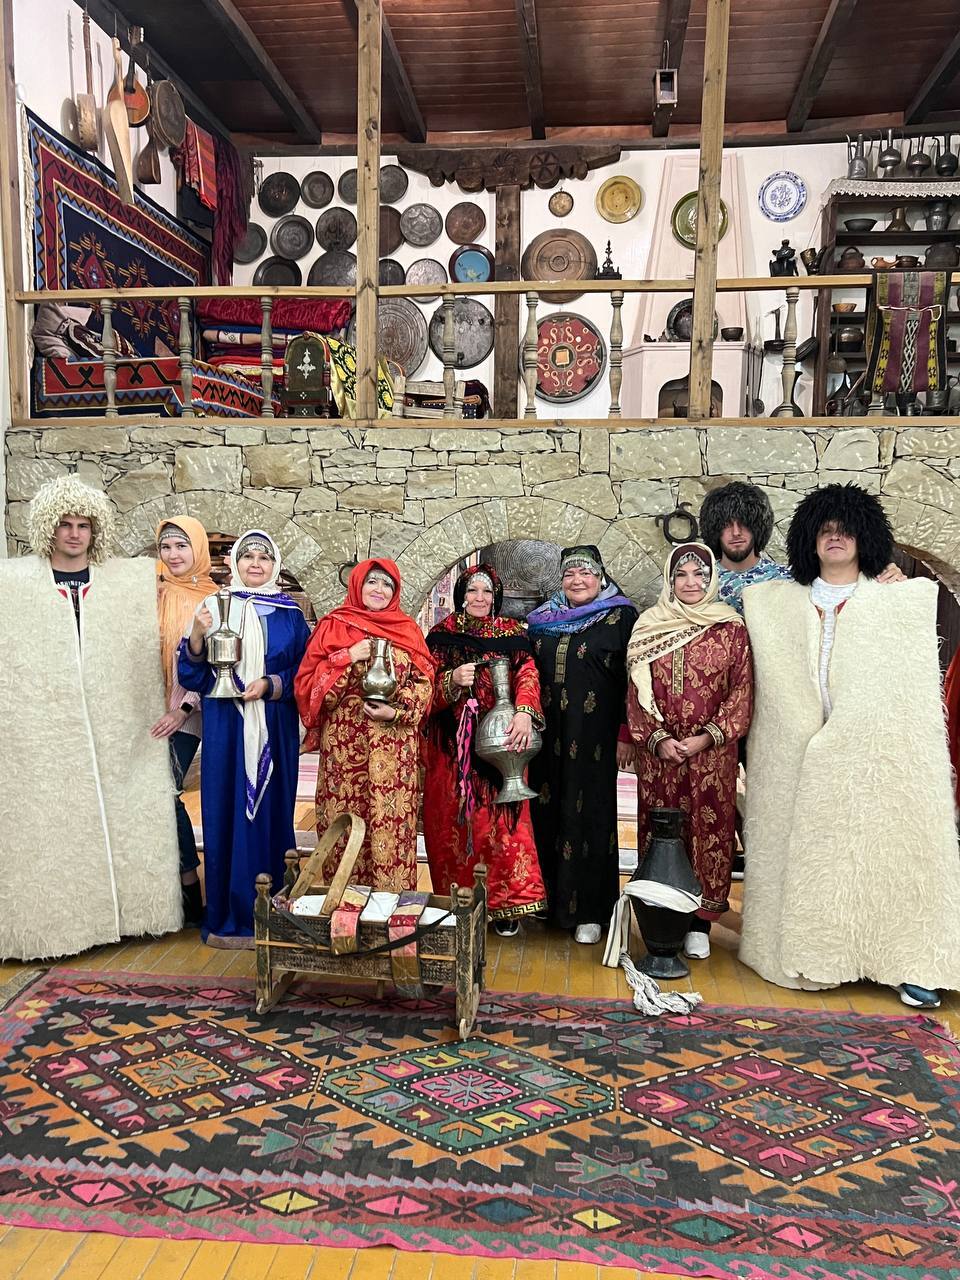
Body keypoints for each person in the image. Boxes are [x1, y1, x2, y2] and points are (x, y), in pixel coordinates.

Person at [741, 483, 960, 1009]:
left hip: (872, 753)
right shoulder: (775, 604)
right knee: (805, 856)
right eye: (824, 530)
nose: (834, 538)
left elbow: (908, 688)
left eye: (845, 530)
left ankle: (906, 959)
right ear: (808, 540)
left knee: (885, 853)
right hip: (796, 752)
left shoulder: (896, 600)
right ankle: (812, 953)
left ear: (866, 537)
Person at [0, 476, 182, 960]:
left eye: (83, 525)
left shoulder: (125, 584)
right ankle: (59, 923)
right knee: (50, 821)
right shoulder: (15, 586)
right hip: (42, 724)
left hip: (121, 721)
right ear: (48, 528)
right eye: (65, 524)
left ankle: (135, 914)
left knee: (130, 813)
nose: (75, 534)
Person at [178, 530, 310, 946]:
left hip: (274, 722)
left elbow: (305, 671)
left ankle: (275, 911)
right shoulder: (212, 606)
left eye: (264, 557)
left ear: (276, 565)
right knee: (227, 808)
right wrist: (196, 637)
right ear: (235, 562)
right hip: (227, 725)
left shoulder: (291, 614)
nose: (255, 563)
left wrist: (270, 684)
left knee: (271, 811)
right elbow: (193, 676)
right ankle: (230, 912)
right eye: (248, 556)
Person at [625, 543, 753, 960]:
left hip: (711, 757)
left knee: (708, 834)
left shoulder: (731, 629)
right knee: (662, 834)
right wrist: (657, 738)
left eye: (700, 574)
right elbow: (635, 693)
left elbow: (742, 693)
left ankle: (700, 922)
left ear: (712, 579)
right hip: (660, 757)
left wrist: (705, 738)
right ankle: (661, 918)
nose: (691, 583)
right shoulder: (649, 626)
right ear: (670, 580)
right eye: (681, 575)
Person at [423, 565, 548, 936]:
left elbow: (528, 673)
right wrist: (451, 680)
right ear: (462, 594)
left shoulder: (512, 634)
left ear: (496, 597)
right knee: (455, 825)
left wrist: (524, 713)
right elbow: (423, 687)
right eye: (473, 590)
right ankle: (458, 904)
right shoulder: (442, 635)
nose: (480, 598)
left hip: (504, 742)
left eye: (487, 591)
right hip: (453, 750)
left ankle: (506, 906)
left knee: (504, 827)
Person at [295, 559, 434, 891]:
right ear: (357, 585)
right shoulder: (333, 627)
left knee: (392, 829)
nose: (379, 590)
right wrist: (347, 656)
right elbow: (309, 689)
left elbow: (425, 684)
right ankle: (344, 904)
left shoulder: (408, 631)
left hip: (395, 751)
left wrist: (395, 713)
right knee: (345, 825)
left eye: (387, 584)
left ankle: (391, 905)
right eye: (372, 582)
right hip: (345, 751)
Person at [527, 545, 638, 944]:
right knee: (546, 811)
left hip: (595, 738)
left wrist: (626, 733)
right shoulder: (542, 620)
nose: (577, 581)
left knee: (590, 815)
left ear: (601, 577)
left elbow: (633, 678)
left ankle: (590, 910)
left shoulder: (620, 617)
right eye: (569, 574)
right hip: (546, 736)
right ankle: (547, 902)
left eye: (586, 573)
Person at [149, 518, 218, 926]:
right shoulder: (151, 592)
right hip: (144, 710)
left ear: (198, 549)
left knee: (165, 791)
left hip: (185, 714)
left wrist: (183, 709)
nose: (173, 555)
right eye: (166, 547)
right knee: (144, 795)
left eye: (181, 546)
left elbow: (212, 665)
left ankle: (190, 884)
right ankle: (158, 890)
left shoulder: (212, 600)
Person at [699, 481, 792, 616]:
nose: (736, 532)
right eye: (726, 525)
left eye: (744, 523)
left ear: (757, 527)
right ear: (715, 529)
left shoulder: (785, 579)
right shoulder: (698, 582)